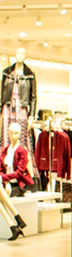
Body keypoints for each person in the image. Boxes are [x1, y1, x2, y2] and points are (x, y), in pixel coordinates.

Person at [1, 48, 38, 185]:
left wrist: (32, 115)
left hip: (22, 108)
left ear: (26, 56)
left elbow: (33, 97)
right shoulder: (7, 73)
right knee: (6, 136)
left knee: (22, 138)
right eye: (18, 53)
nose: (20, 56)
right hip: (7, 106)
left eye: (23, 53)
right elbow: (1, 93)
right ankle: (4, 170)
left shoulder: (30, 75)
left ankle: (23, 172)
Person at [0, 123, 29, 241]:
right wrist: (4, 180)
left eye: (16, 133)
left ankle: (14, 223)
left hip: (17, 185)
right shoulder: (5, 150)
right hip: (5, 184)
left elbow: (19, 172)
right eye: (11, 133)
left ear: (20, 134)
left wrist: (3, 178)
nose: (13, 136)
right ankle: (15, 222)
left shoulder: (22, 150)